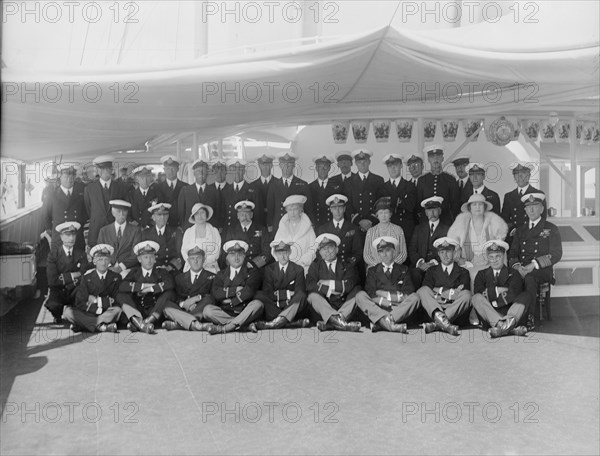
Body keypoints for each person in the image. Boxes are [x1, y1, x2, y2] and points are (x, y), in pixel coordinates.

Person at [355, 236, 420, 333]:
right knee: (360, 295)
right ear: (378, 254)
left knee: (415, 297)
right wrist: (383, 300)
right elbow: (370, 292)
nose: (384, 254)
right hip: (378, 308)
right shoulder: (372, 271)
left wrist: (385, 295)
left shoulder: (404, 269)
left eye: (388, 250)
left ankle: (382, 322)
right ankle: (388, 323)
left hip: (398, 309)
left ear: (394, 252)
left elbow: (408, 292)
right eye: (381, 251)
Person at [508, 193, 562, 304]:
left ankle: (529, 317)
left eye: (535, 206)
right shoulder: (520, 230)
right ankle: (514, 315)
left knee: (529, 279)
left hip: (541, 269)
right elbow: (512, 253)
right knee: (512, 279)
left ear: (542, 209)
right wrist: (518, 267)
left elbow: (556, 253)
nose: (531, 210)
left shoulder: (551, 228)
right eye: (528, 207)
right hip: (521, 268)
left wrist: (534, 264)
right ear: (525, 210)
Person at [203, 240, 264, 334]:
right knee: (207, 310)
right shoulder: (221, 274)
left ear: (244, 256)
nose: (236, 258)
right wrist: (235, 290)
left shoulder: (252, 272)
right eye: (232, 255)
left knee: (258, 304)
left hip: (244, 309)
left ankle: (225, 328)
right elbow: (216, 293)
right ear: (227, 257)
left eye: (239, 254)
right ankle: (243, 324)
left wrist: (230, 300)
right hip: (226, 312)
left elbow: (249, 291)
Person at [472, 240, 529, 338]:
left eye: (498, 256)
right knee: (476, 297)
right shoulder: (481, 274)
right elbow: (480, 294)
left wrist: (491, 294)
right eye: (491, 257)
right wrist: (499, 290)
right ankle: (507, 326)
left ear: (504, 256)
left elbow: (514, 293)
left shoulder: (514, 273)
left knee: (525, 295)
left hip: (510, 312)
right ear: (487, 258)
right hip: (490, 314)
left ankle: (501, 327)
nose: (494, 260)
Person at [117, 240, 175, 334]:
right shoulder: (134, 273)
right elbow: (122, 286)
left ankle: (144, 322)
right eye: (145, 257)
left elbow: (170, 283)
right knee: (120, 295)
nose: (149, 260)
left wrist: (151, 288)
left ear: (155, 259)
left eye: (152, 257)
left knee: (169, 293)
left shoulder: (160, 272)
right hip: (138, 309)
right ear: (139, 259)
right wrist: (143, 286)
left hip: (155, 310)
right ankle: (139, 322)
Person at [417, 237, 472, 336]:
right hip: (436, 307)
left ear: (454, 253)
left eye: (448, 251)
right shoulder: (431, 271)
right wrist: (450, 292)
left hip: (454, 311)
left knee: (467, 295)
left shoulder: (463, 272)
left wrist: (437, 291)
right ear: (438, 253)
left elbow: (461, 294)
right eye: (442, 252)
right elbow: (426, 290)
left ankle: (437, 323)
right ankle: (444, 321)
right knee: (422, 291)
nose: (445, 255)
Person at [307, 234, 361, 332]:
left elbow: (349, 285)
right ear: (319, 252)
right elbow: (310, 284)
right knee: (312, 296)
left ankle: (332, 322)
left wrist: (329, 283)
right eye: (323, 249)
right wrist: (329, 291)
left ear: (336, 249)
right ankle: (340, 322)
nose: (327, 251)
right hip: (325, 305)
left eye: (330, 247)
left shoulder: (348, 264)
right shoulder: (315, 266)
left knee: (358, 291)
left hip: (343, 304)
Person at [63, 244, 122, 333]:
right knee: (67, 312)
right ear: (94, 261)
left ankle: (84, 324)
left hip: (107, 312)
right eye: (100, 259)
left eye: (106, 259)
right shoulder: (87, 278)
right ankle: (100, 326)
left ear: (110, 261)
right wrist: (101, 304)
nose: (103, 263)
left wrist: (96, 301)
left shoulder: (116, 277)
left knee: (118, 310)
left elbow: (117, 300)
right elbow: (80, 302)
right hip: (89, 312)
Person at [447, 193, 508, 278]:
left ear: (485, 207)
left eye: (480, 204)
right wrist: (459, 259)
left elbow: (501, 251)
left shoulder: (493, 225)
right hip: (468, 268)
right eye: (474, 204)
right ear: (469, 208)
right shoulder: (461, 226)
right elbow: (453, 249)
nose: (477, 207)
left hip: (490, 267)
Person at [254, 240, 310, 330]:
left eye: (285, 252)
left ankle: (275, 323)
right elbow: (267, 292)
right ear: (275, 254)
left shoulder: (298, 269)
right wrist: (287, 294)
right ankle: (287, 322)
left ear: (290, 252)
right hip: (275, 308)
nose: (283, 256)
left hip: (291, 306)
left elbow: (299, 292)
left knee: (302, 295)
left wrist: (278, 295)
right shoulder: (269, 269)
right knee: (259, 294)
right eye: (280, 253)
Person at [161, 246, 216, 331]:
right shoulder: (180, 277)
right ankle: (192, 323)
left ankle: (181, 323)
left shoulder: (212, 277)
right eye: (192, 258)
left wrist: (197, 299)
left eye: (199, 258)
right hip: (183, 310)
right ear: (188, 261)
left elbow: (213, 297)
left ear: (204, 259)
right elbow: (177, 297)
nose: (195, 261)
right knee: (166, 305)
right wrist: (184, 304)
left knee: (209, 299)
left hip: (199, 309)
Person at [44, 222, 89, 323]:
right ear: (61, 237)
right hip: (59, 291)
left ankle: (73, 312)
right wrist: (73, 275)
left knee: (82, 296)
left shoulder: (81, 254)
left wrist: (66, 278)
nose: (71, 238)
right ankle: (58, 314)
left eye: (73, 235)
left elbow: (84, 274)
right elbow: (52, 281)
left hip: (74, 290)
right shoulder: (53, 255)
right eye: (68, 235)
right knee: (53, 305)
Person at [84, 155, 127, 247]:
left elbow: (123, 207)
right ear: (98, 171)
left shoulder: (119, 187)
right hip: (96, 229)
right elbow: (88, 208)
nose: (107, 171)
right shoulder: (90, 188)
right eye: (104, 169)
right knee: (96, 255)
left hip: (114, 228)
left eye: (109, 168)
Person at [42, 163, 87, 250]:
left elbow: (86, 213)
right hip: (59, 238)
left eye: (72, 176)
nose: (70, 179)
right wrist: (53, 233)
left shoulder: (81, 193)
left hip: (77, 237)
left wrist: (77, 225)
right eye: (66, 176)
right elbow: (46, 216)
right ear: (60, 176)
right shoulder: (52, 195)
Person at [408, 196, 450, 288]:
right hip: (420, 265)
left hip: (438, 264)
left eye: (435, 209)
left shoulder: (447, 229)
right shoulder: (419, 228)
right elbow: (412, 249)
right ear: (426, 213)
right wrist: (420, 263)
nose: (432, 213)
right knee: (415, 274)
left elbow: (449, 251)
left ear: (440, 211)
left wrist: (432, 263)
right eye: (429, 210)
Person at [501, 163, 547, 242]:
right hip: (514, 237)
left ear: (529, 176)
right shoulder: (508, 196)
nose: (520, 177)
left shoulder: (538, 194)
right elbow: (504, 218)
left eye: (523, 174)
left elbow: (542, 217)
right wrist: (513, 230)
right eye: (517, 174)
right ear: (514, 177)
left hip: (531, 236)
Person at [416, 145, 460, 225]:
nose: (435, 159)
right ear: (428, 159)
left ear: (442, 158)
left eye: (438, 156)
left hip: (445, 222)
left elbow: (455, 205)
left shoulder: (450, 180)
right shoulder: (422, 180)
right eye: (432, 157)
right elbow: (419, 205)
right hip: (426, 222)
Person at [266, 152, 310, 231]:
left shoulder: (303, 184)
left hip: (297, 225)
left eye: (289, 164)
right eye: (283, 164)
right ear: (280, 165)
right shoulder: (273, 185)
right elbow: (270, 208)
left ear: (294, 165)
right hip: (279, 226)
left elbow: (308, 208)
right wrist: (270, 225)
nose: (286, 166)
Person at [272, 194, 316, 273]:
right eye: (290, 209)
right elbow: (275, 247)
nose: (292, 213)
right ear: (286, 211)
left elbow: (313, 247)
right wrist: (283, 261)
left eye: (295, 209)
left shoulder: (308, 227)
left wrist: (303, 261)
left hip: (304, 268)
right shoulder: (282, 227)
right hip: (286, 269)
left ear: (301, 210)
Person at [97, 200, 142, 276]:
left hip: (127, 268)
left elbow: (136, 254)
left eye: (124, 211)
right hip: (108, 267)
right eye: (118, 211)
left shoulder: (135, 230)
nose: (121, 214)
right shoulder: (104, 230)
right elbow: (100, 252)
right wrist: (109, 266)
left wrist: (121, 267)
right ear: (113, 213)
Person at [316, 194, 363, 267]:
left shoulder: (353, 228)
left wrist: (348, 265)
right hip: (329, 268)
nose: (337, 211)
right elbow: (319, 253)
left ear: (344, 209)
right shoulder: (323, 229)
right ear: (330, 209)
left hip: (348, 267)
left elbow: (358, 253)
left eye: (340, 208)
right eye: (334, 208)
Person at [221, 200, 271, 269]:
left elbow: (267, 252)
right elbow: (226, 251)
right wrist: (235, 264)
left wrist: (253, 264)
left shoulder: (262, 229)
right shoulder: (231, 230)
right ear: (237, 216)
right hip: (237, 266)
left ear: (251, 215)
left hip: (256, 267)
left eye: (247, 214)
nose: (244, 217)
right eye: (242, 214)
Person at [345, 149, 385, 234]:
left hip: (374, 224)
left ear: (369, 162)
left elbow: (381, 203)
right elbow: (348, 205)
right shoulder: (348, 182)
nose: (362, 164)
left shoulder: (378, 180)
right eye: (359, 162)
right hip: (355, 225)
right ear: (355, 163)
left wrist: (371, 220)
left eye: (365, 161)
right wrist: (359, 221)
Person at [363, 197, 407, 269]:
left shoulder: (398, 230)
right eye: (380, 213)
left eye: (386, 212)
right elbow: (366, 255)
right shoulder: (370, 232)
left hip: (395, 269)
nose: (383, 216)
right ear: (377, 215)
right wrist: (378, 266)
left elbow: (403, 253)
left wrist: (391, 266)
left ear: (390, 214)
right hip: (375, 269)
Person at [381, 154, 417, 242]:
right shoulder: (382, 187)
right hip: (388, 228)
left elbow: (411, 206)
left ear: (401, 166)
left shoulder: (410, 186)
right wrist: (400, 201)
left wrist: (394, 201)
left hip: (406, 229)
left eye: (395, 165)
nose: (393, 168)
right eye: (390, 166)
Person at [178, 158, 219, 230]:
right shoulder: (185, 191)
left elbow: (217, 213)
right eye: (198, 171)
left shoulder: (214, 192)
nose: (201, 174)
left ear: (207, 174)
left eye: (203, 171)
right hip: (190, 230)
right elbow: (181, 213)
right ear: (194, 173)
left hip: (209, 231)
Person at [221, 159, 262, 231]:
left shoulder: (253, 190)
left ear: (244, 171)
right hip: (229, 231)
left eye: (240, 170)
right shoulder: (225, 190)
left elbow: (258, 215)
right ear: (231, 172)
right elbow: (222, 215)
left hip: (247, 231)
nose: (237, 172)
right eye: (234, 170)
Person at [141, 203, 183, 273]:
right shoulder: (146, 233)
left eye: (165, 214)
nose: (162, 218)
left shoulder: (176, 232)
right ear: (153, 217)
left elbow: (180, 254)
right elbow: (143, 255)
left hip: (171, 269)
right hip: (152, 269)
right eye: (159, 215)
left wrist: (170, 267)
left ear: (168, 216)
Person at [181, 203, 221, 274]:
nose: (200, 216)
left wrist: (203, 262)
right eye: (197, 214)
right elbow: (184, 251)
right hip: (191, 267)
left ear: (207, 214)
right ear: (193, 216)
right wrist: (194, 263)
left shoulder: (214, 231)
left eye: (202, 213)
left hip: (210, 267)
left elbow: (217, 251)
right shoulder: (188, 232)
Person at [306, 155, 342, 227]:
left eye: (325, 166)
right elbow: (308, 209)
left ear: (329, 168)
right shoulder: (309, 187)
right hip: (316, 225)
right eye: (320, 166)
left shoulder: (337, 186)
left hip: (332, 225)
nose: (323, 169)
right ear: (316, 168)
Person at [155, 155, 188, 228]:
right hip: (164, 226)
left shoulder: (186, 187)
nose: (170, 171)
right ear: (164, 169)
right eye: (168, 168)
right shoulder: (157, 188)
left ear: (178, 169)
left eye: (173, 168)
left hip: (181, 226)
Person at [248, 154, 276, 227]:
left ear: (271, 165)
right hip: (258, 222)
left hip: (274, 222)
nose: (265, 167)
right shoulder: (252, 186)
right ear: (259, 166)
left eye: (267, 164)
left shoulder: (278, 183)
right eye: (263, 164)